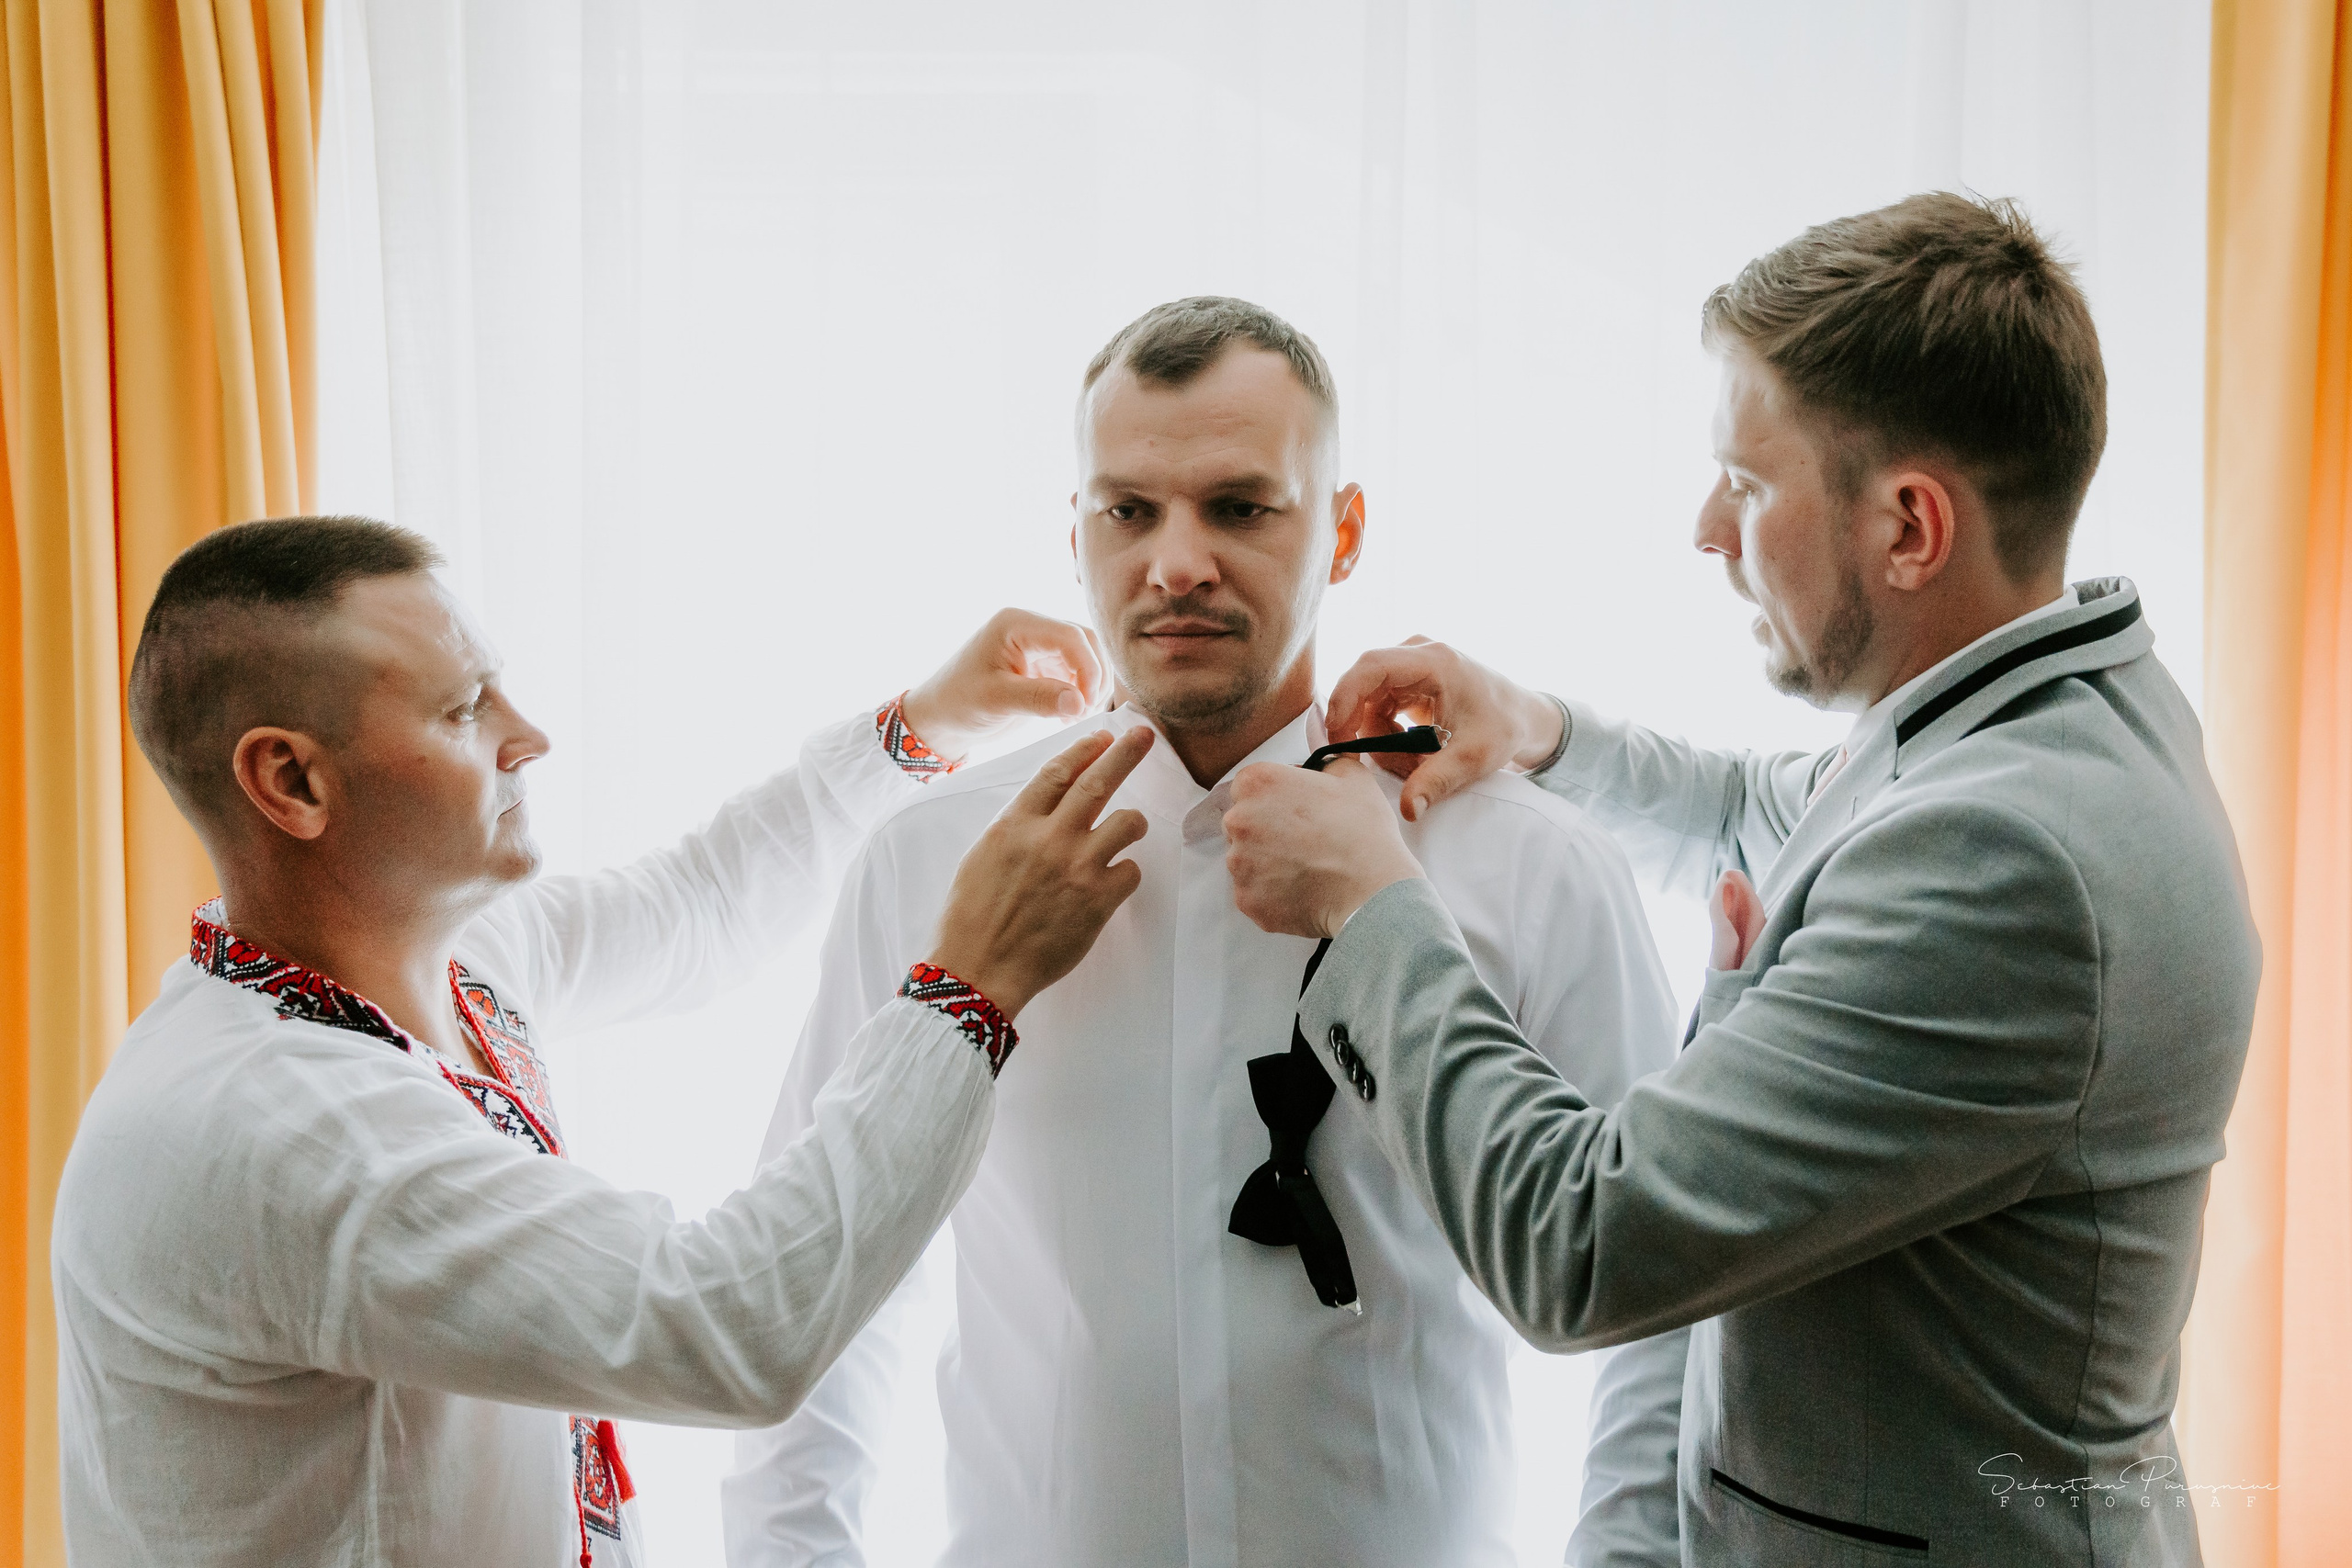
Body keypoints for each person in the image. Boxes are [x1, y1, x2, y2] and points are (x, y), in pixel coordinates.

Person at [1221, 194, 2259, 1563]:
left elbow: (1578, 1236)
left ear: (1908, 527)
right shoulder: (2049, 715)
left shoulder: (2011, 865)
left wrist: (1370, 907)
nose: (1708, 526)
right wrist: (1541, 727)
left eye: (1751, 482)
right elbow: (1765, 806)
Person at [724, 299, 1688, 1568]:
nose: (1176, 562)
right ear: (1074, 533)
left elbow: (1668, 1296)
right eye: (1129, 510)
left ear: (1340, 532)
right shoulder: (928, 864)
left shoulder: (1530, 864)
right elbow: (818, 1283)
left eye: (1239, 507)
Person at [53, 515, 1159, 1568]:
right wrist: (973, 984)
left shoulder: (455, 961)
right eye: (462, 711)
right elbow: (726, 1324)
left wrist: (926, 725)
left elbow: (699, 905)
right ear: (291, 781)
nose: (528, 737)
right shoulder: (271, 1130)